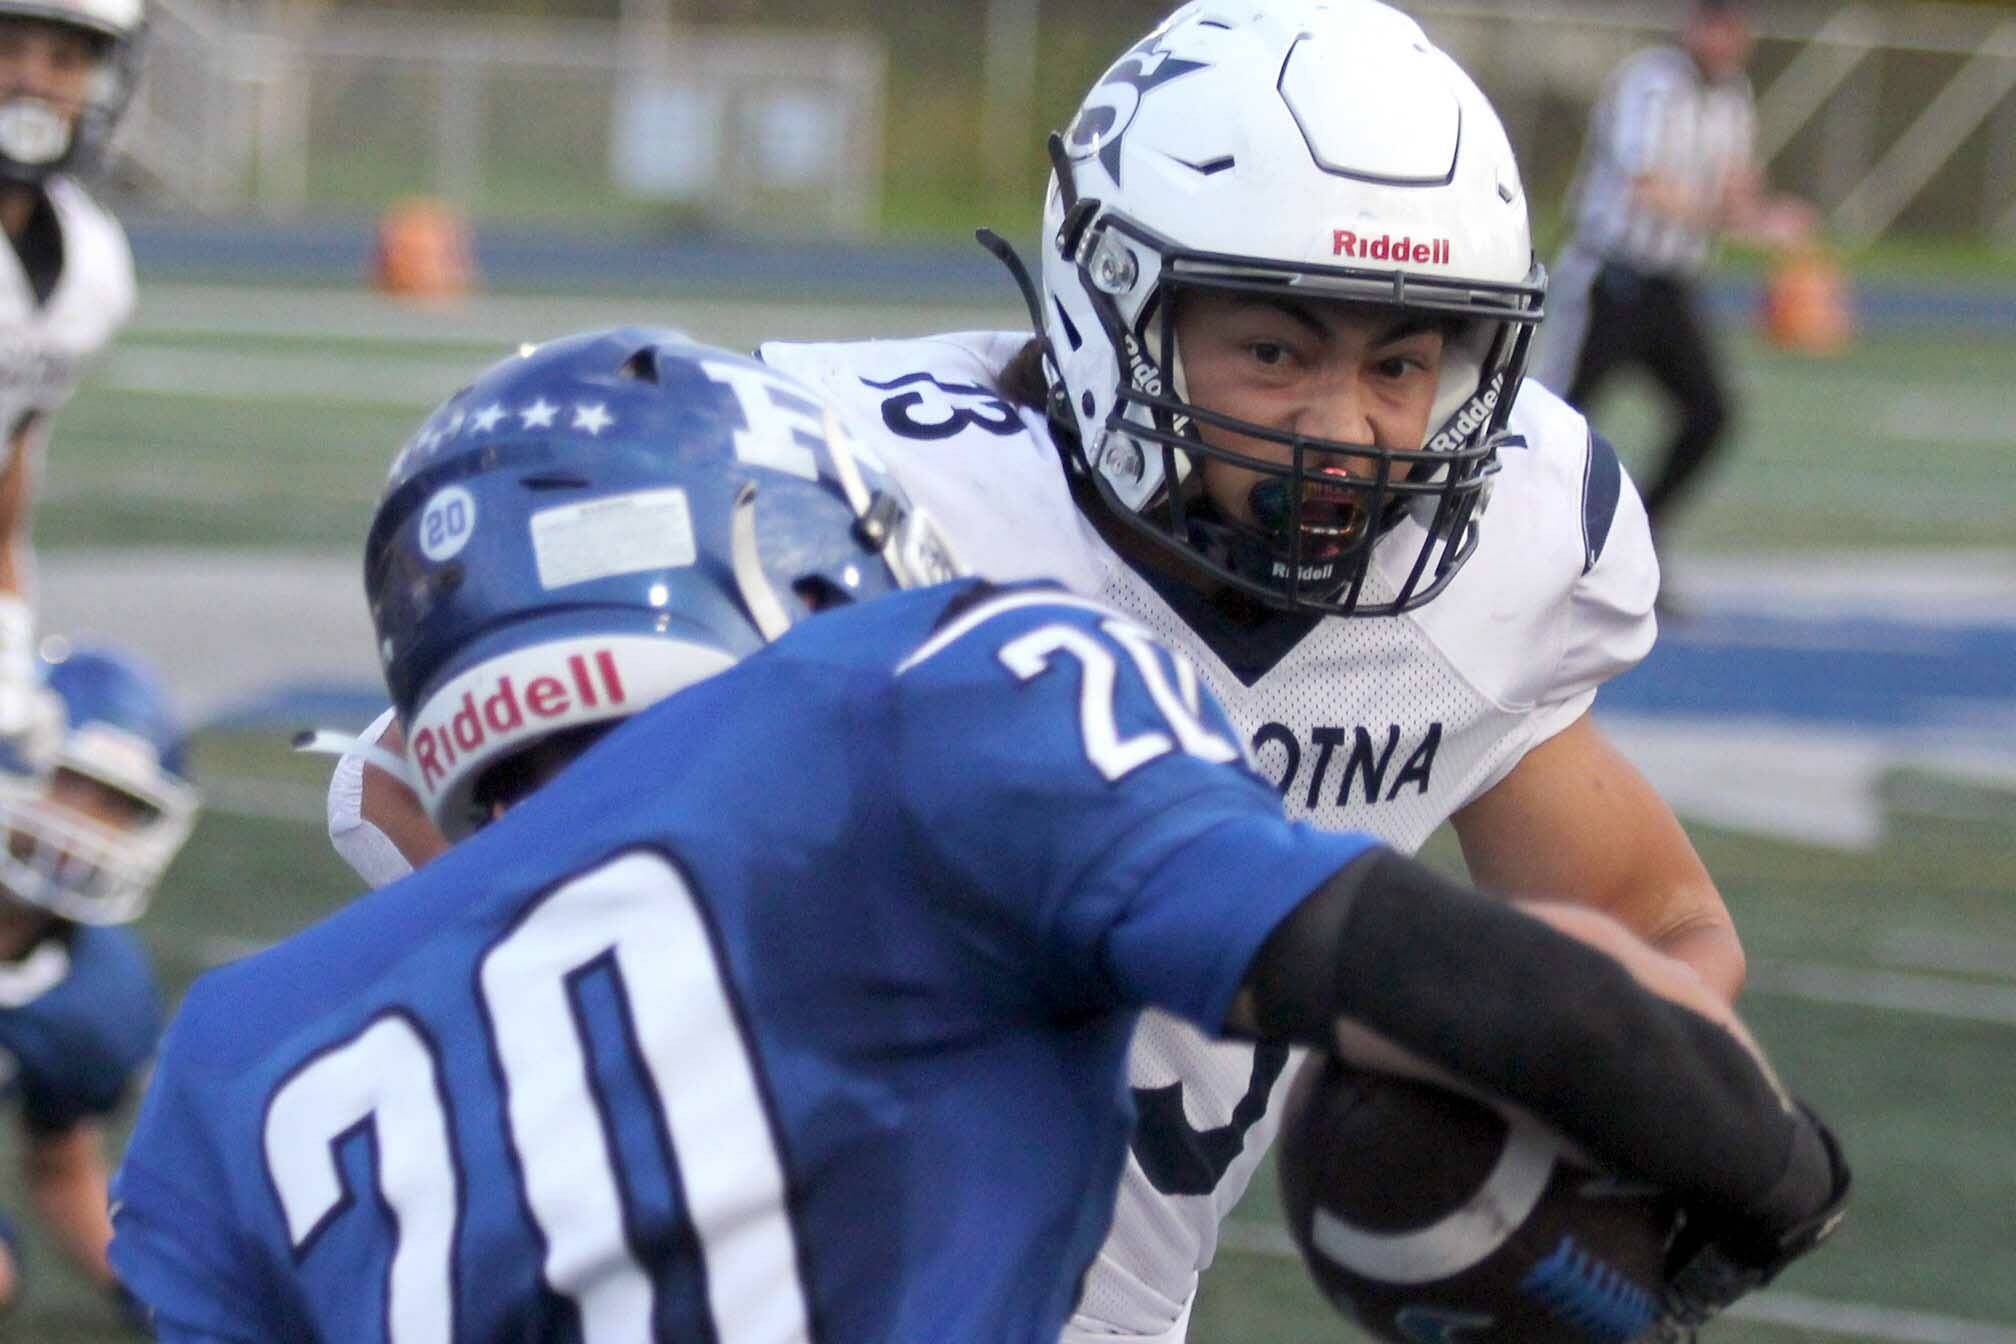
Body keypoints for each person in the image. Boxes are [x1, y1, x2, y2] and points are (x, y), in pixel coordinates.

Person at [326, 5, 1769, 1338]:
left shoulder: (1488, 558)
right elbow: (412, 782)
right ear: (1112, 303)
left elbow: (1649, 914)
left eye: (1403, 366)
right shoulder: (850, 492)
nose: (1346, 431)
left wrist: (1648, 1110)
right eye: (1274, 348)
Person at [110, 329, 1847, 1342]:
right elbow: (1449, 970)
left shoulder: (228, 1064)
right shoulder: (946, 694)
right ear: (791, 564)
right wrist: (1761, 1168)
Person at [1531, 0, 1815, 593]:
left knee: (1710, 414)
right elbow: (1646, 186)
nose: (1722, 39)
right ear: (1692, 26)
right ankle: (1518, 546)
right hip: (1611, 280)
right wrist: (1740, 223)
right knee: (1553, 422)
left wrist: (1768, 215)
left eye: (1732, 26)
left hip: (1671, 287)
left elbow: (1737, 184)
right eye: (1712, 24)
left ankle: (1642, 542)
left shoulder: (1734, 95)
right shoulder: (1649, 83)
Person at [0, 645, 192, 1318]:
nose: (83, 825)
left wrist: (163, 1298)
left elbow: (60, 1167)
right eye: (69, 782)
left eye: (117, 805)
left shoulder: (95, 995)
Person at [0, 0, 145, 754]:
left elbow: (12, 456)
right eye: (9, 48)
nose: (32, 79)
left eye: (63, 61)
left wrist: (8, 635)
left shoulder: (94, 262)